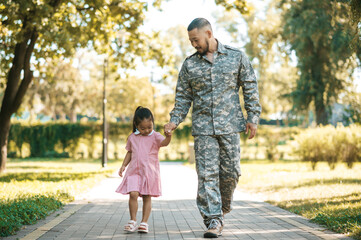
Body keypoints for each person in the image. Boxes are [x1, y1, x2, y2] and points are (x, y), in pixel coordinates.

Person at [164, 18, 261, 238]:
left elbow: (250, 87)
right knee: (207, 176)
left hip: (230, 127)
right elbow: (182, 98)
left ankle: (222, 209)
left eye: (196, 40)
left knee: (231, 173)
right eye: (190, 41)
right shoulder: (189, 64)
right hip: (203, 129)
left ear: (208, 33)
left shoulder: (236, 57)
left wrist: (252, 117)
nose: (193, 45)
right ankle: (213, 220)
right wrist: (174, 121)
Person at [116, 106, 172, 233]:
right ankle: (133, 220)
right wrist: (123, 165)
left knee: (147, 196)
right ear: (136, 125)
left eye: (149, 127)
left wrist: (168, 136)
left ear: (153, 123)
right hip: (134, 172)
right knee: (133, 194)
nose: (146, 130)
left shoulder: (155, 136)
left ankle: (144, 223)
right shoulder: (132, 137)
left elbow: (164, 143)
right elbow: (130, 152)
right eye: (143, 128)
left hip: (149, 173)